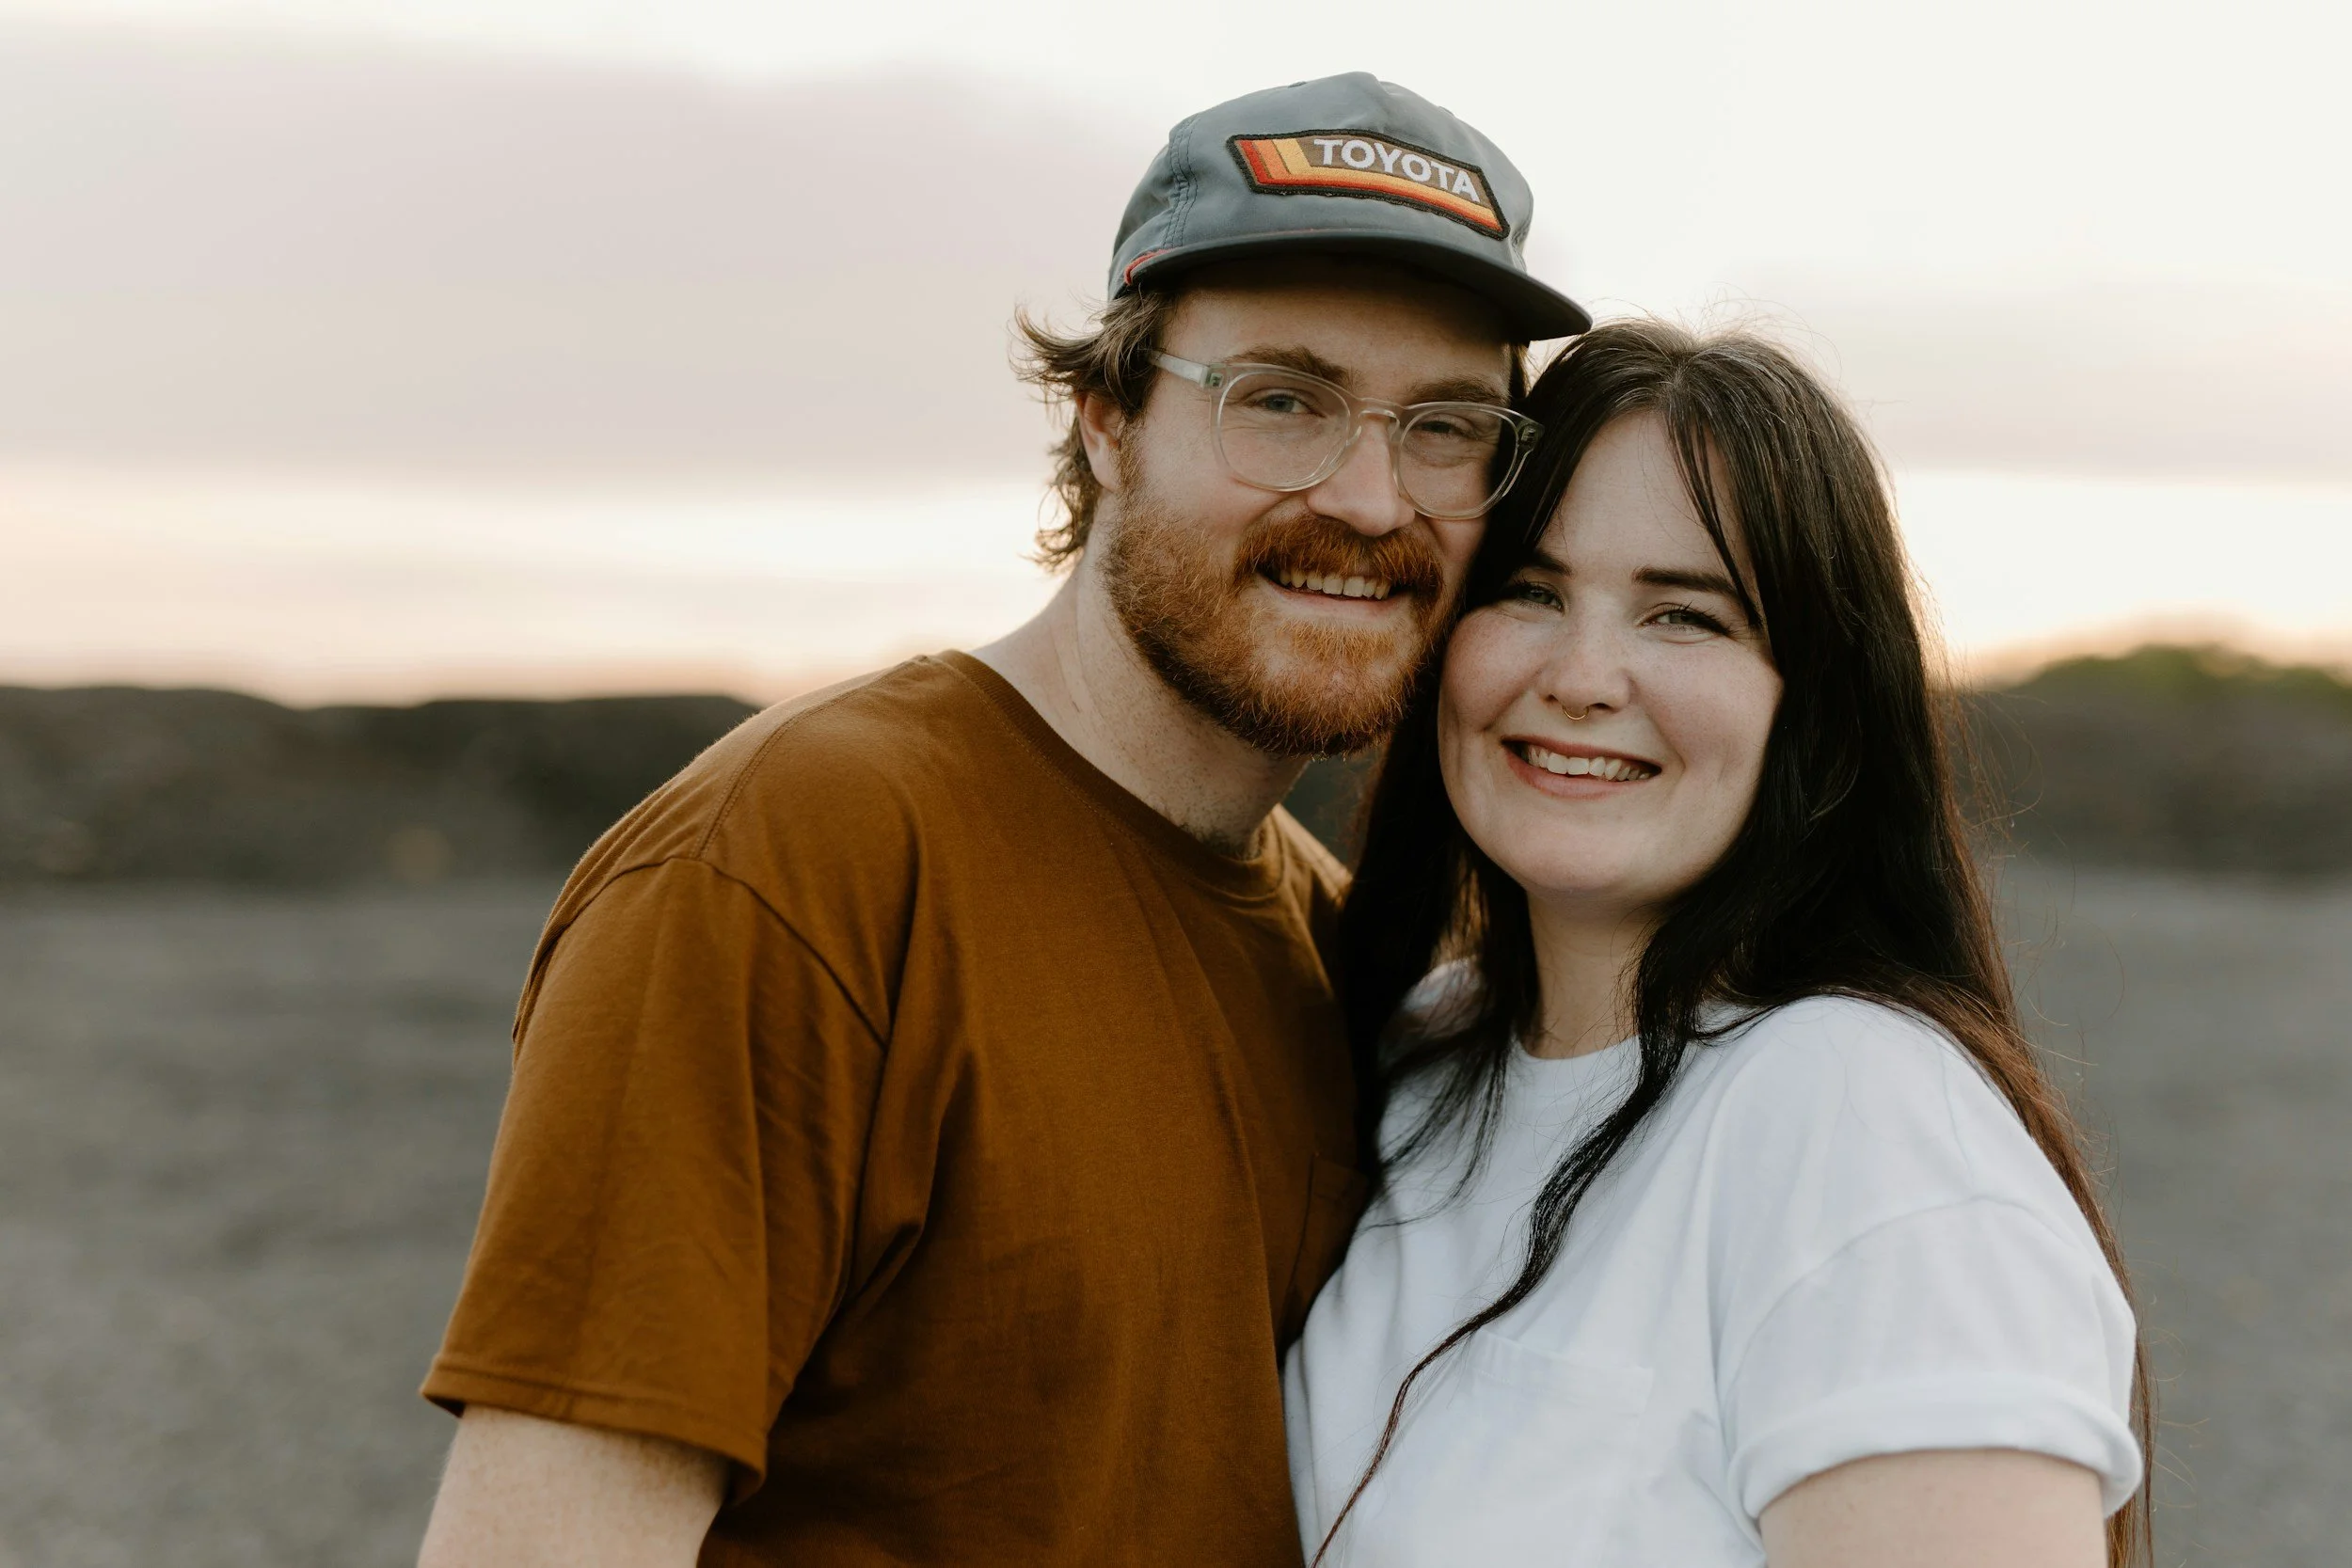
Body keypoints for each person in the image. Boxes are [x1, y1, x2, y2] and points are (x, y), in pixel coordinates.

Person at [412, 73, 1588, 1568]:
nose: (1371, 497)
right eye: (1282, 401)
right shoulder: (788, 864)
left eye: (1445, 425)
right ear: (1106, 420)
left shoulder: (1343, 948)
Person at [1284, 321, 2151, 1567]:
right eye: (1528, 591)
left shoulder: (1861, 1124)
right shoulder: (1422, 1049)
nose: (1583, 676)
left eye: (1683, 616)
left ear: (1817, 710)